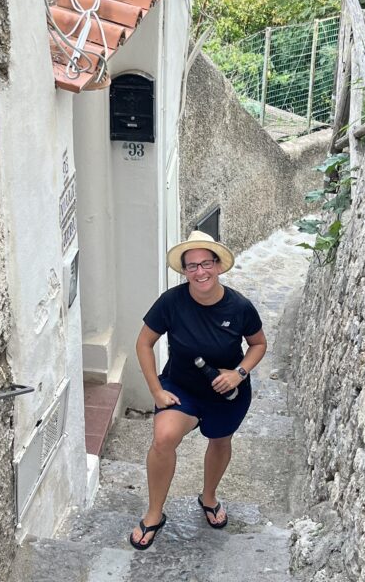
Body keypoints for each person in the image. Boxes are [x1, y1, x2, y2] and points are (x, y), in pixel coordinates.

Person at [128, 231, 267, 550]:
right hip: (182, 388)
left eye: (206, 263)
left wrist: (239, 373)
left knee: (220, 441)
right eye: (192, 266)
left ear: (218, 266)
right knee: (163, 438)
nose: (200, 271)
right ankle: (153, 514)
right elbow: (144, 343)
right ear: (184, 271)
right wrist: (156, 391)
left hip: (226, 391)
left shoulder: (239, 307)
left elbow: (258, 344)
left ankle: (209, 496)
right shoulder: (171, 302)